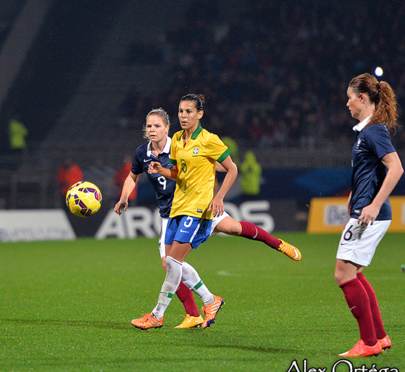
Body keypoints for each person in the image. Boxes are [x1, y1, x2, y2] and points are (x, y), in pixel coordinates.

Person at [118, 105, 301, 330]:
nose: (153, 130)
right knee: (172, 262)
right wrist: (125, 196)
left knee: (224, 233)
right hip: (172, 213)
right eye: (149, 126)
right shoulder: (142, 153)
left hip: (197, 207)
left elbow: (218, 165)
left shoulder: (178, 144)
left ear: (167, 127)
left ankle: (277, 244)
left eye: (157, 125)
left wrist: (215, 185)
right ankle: (196, 311)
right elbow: (131, 176)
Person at [334, 73, 403, 357]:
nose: (347, 102)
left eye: (350, 97)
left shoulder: (374, 131)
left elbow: (396, 168)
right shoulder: (368, 131)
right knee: (356, 273)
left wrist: (373, 205)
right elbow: (370, 170)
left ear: (362, 98)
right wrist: (355, 193)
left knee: (343, 273)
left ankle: (368, 342)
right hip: (365, 209)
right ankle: (380, 337)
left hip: (369, 214)